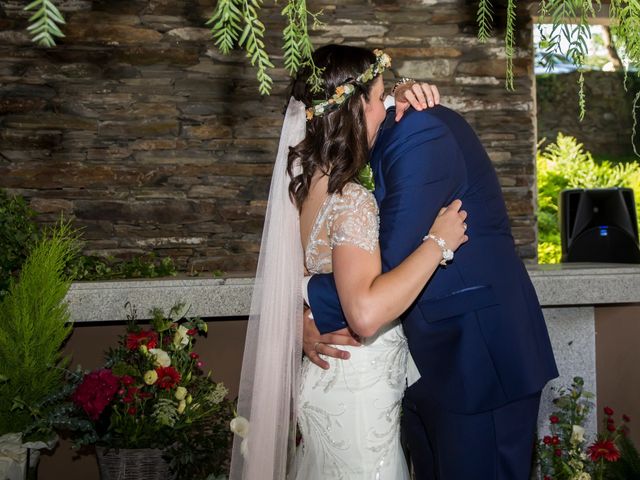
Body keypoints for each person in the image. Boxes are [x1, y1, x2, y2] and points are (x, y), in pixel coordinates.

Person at [304, 52, 560, 480]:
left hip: (478, 360)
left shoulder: (418, 133)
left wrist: (306, 302)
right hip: (425, 363)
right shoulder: (365, 147)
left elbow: (386, 259)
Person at [229, 45, 468, 480]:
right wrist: (439, 242)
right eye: (379, 99)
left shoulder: (300, 191)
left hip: (325, 383)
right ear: (356, 106)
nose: (385, 110)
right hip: (358, 396)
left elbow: (301, 282)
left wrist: (402, 90)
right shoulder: (352, 200)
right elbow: (364, 312)